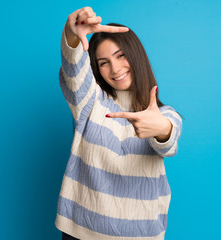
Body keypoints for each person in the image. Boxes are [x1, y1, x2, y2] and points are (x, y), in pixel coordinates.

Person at [56, 6, 182, 240]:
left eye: (121, 56)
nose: (115, 69)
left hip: (140, 235)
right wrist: (72, 35)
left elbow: (169, 138)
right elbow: (74, 71)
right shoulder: (89, 101)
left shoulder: (163, 113)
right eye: (103, 62)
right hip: (81, 232)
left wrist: (161, 129)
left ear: (136, 55)